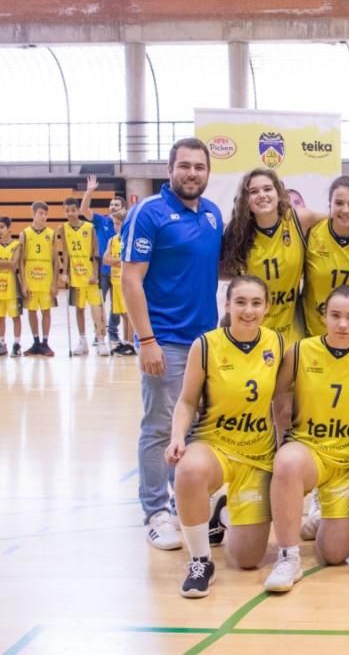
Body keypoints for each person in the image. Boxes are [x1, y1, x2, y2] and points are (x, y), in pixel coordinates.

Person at [122, 137, 224, 551]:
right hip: (165, 340)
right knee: (160, 428)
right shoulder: (149, 213)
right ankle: (155, 511)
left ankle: (185, 504)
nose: (192, 173)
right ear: (169, 169)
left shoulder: (213, 214)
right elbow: (130, 278)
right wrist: (147, 340)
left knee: (195, 429)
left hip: (207, 343)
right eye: (184, 166)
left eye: (199, 167)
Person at [165, 275, 282, 598]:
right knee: (188, 469)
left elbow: (285, 403)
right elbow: (187, 401)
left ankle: (222, 509)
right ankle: (201, 560)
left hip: (258, 456)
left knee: (247, 560)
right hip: (215, 446)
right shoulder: (206, 345)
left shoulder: (277, 343)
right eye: (240, 302)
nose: (248, 310)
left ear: (267, 308)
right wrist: (178, 437)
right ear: (227, 305)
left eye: (256, 303)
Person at [264, 285, 349, 592]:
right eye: (336, 316)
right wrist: (281, 437)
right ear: (323, 316)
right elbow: (277, 395)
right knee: (287, 461)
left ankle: (319, 519)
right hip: (311, 453)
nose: (343, 324)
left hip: (348, 462)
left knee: (335, 554)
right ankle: (288, 557)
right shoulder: (300, 350)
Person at [220, 168, 326, 342]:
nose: (262, 195)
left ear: (279, 192)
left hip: (290, 334)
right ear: (246, 200)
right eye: (253, 191)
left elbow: (340, 219)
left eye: (268, 189)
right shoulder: (237, 232)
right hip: (250, 334)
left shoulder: (298, 220)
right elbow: (222, 271)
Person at [302, 176, 349, 342]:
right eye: (339, 203)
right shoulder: (312, 233)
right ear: (330, 204)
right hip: (315, 336)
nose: (345, 210)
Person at [57, 196, 110, 356]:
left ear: (78, 210)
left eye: (73, 210)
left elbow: (95, 253)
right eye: (67, 211)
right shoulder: (62, 229)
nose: (70, 213)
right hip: (75, 276)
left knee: (96, 309)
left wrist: (95, 273)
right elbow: (64, 252)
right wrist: (64, 272)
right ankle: (82, 341)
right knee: (79, 309)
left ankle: (101, 340)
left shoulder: (89, 227)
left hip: (90, 276)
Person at [79, 175, 122, 344]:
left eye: (116, 205)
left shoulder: (126, 224)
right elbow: (84, 210)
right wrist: (89, 191)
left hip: (119, 271)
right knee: (98, 303)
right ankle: (99, 333)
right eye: (111, 205)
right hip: (101, 271)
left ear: (123, 208)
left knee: (117, 305)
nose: (112, 207)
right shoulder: (101, 220)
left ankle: (113, 332)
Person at [20, 201, 57, 357]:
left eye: (45, 214)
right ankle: (36, 342)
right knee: (32, 311)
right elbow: (21, 261)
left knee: (46, 311)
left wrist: (55, 283)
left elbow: (56, 260)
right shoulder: (25, 234)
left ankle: (45, 343)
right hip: (31, 279)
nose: (43, 216)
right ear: (33, 214)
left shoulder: (51, 234)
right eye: (40, 213)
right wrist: (23, 283)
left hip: (46, 279)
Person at [102, 209, 136, 356]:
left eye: (118, 223)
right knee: (123, 314)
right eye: (114, 224)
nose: (116, 227)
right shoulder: (112, 240)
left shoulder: (130, 238)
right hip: (115, 281)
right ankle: (125, 341)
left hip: (126, 281)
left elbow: (129, 260)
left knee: (129, 314)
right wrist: (119, 261)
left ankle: (131, 343)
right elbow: (105, 259)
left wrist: (116, 262)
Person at [0, 217, 23, 357]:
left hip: (12, 288)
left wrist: (6, 263)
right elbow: (9, 264)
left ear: (9, 229)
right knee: (0, 317)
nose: (0, 230)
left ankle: (17, 344)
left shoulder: (16, 245)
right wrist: (6, 263)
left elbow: (14, 265)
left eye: (2, 227)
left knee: (15, 317)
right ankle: (2, 343)